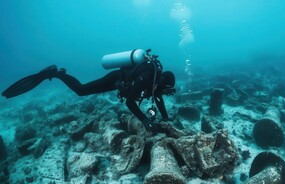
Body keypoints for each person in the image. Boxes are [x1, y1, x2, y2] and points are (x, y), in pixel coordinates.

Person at [1, 49, 176, 132]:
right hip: (115, 78)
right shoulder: (148, 78)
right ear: (161, 81)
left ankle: (58, 73)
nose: (164, 93)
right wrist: (145, 120)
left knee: (82, 91)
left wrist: (166, 117)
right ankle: (58, 73)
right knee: (81, 90)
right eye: (166, 89)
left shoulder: (156, 84)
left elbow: (158, 98)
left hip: (124, 82)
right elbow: (130, 101)